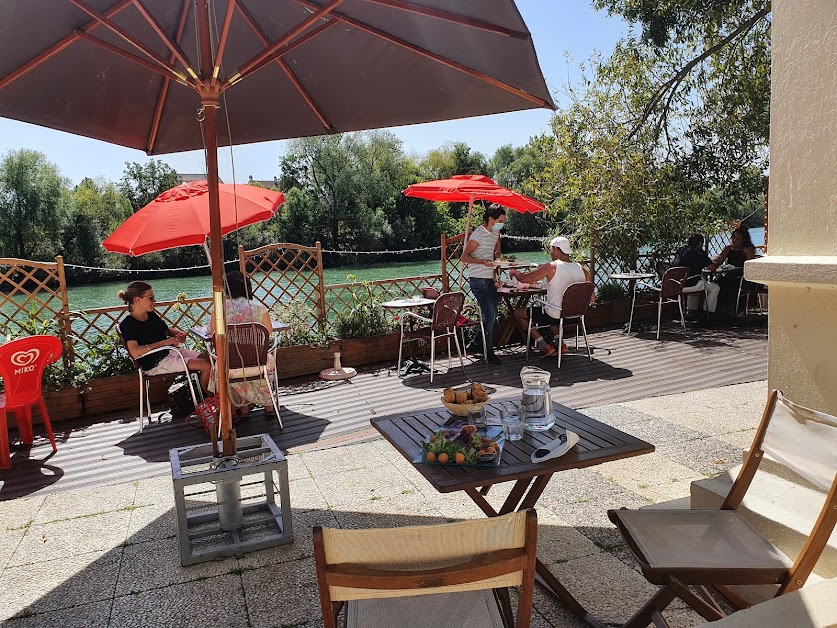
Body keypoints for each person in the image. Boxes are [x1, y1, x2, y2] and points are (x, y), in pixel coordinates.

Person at [118, 281, 212, 393]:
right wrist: (164, 343)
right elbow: (135, 352)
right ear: (137, 300)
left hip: (170, 353)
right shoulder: (129, 324)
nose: (154, 301)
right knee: (206, 365)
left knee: (210, 360)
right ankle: (210, 399)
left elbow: (167, 331)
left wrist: (179, 334)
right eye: (151, 298)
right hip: (155, 364)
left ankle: (209, 396)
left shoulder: (151, 315)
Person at [510, 236, 593, 357]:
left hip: (555, 316)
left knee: (518, 313)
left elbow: (524, 278)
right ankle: (561, 345)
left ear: (555, 250)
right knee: (554, 307)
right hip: (576, 316)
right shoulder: (582, 269)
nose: (550, 252)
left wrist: (514, 272)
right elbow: (593, 298)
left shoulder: (551, 267)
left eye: (550, 249)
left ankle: (544, 346)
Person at [210, 271, 277, 416]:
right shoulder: (258, 307)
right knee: (261, 359)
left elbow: (213, 333)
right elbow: (268, 331)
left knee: (233, 362)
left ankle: (244, 408)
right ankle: (269, 406)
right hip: (258, 364)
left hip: (229, 366)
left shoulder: (219, 308)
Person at [460, 204, 506, 365]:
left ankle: (475, 344)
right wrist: (482, 262)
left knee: (492, 315)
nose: (502, 224)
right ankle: (489, 351)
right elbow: (464, 257)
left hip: (488, 278)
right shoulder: (479, 234)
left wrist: (496, 262)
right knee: (491, 315)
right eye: (500, 221)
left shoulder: (495, 233)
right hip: (478, 279)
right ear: (491, 219)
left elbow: (495, 254)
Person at [708, 226, 757, 314]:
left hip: (742, 276)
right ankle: (718, 310)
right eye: (733, 238)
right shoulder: (728, 249)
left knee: (729, 285)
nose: (734, 240)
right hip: (730, 274)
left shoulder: (748, 249)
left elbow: (751, 265)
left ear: (743, 240)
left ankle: (733, 310)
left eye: (737, 239)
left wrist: (747, 255)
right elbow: (719, 262)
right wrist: (713, 261)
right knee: (717, 283)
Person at [675, 233, 720, 318]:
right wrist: (716, 261)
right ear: (700, 243)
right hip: (690, 283)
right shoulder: (699, 253)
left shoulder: (681, 250)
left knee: (695, 281)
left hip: (676, 283)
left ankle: (690, 311)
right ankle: (708, 313)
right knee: (715, 287)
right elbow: (713, 268)